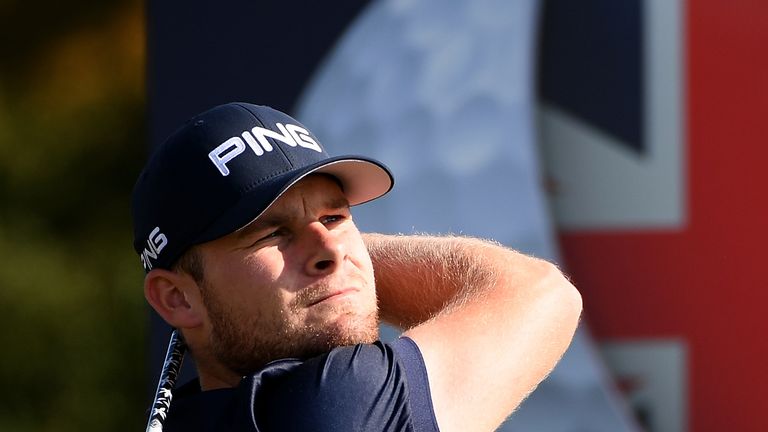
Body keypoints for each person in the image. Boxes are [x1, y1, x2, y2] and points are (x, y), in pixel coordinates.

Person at [132, 102, 582, 431]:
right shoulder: (340, 402)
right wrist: (347, 262)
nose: (331, 247)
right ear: (176, 297)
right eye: (271, 234)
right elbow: (541, 291)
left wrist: (332, 260)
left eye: (335, 218)